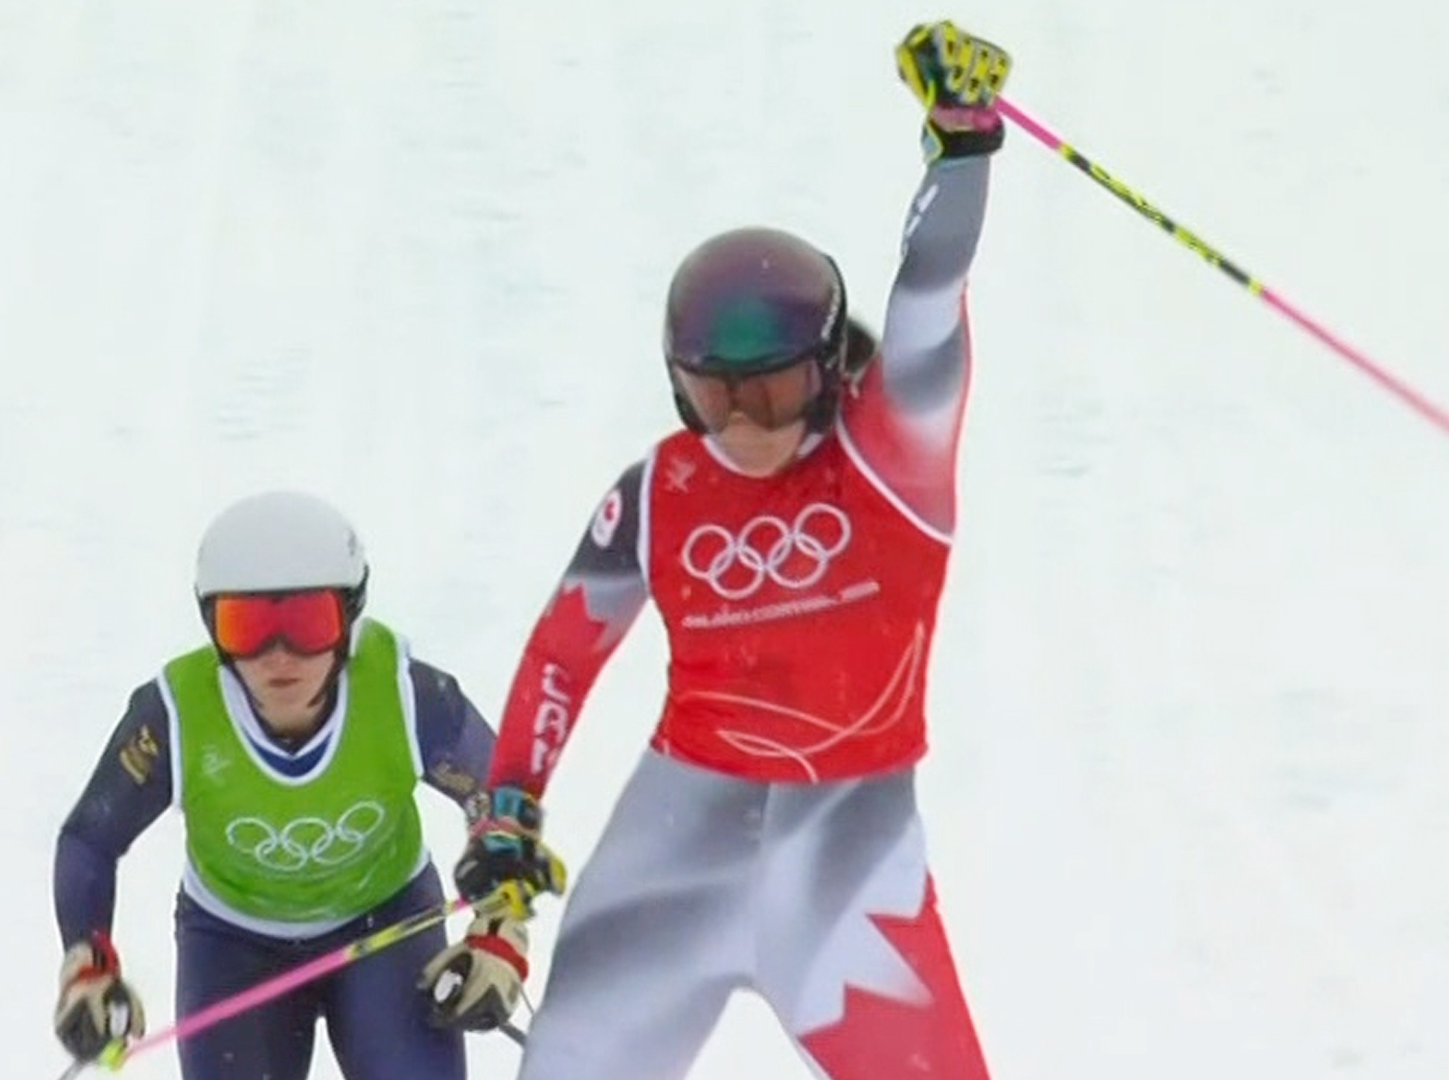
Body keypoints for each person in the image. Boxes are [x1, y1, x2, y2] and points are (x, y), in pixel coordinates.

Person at [449, 19, 1012, 1080]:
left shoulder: (896, 448)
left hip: (848, 849)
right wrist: (511, 811)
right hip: (676, 838)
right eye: (715, 392)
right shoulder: (660, 489)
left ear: (831, 365)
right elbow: (564, 652)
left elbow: (931, 294)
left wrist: (962, 137)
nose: (745, 417)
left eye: (774, 385)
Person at [52, 490, 530, 1080]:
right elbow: (90, 840)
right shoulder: (173, 714)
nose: (279, 656)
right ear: (211, 627)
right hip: (233, 943)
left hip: (387, 922)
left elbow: (499, 798)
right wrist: (87, 962)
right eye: (247, 627)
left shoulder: (408, 694)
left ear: (349, 617)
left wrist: (500, 930)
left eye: (306, 623)